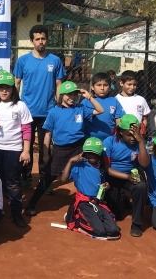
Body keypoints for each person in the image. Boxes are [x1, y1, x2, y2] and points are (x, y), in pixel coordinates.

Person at [24, 81, 104, 217]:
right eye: (68, 95)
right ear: (61, 95)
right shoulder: (54, 112)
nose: (71, 97)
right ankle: (31, 204)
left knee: (90, 171)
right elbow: (48, 134)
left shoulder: (81, 109)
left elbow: (100, 110)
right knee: (48, 177)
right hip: (60, 149)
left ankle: (97, 202)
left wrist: (89, 97)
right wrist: (45, 154)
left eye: (74, 94)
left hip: (79, 147)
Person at [13, 25, 66, 190]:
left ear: (47, 39)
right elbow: (16, 83)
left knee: (45, 148)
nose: (41, 42)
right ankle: (26, 178)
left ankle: (45, 181)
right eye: (37, 39)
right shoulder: (23, 61)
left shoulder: (55, 61)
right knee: (24, 146)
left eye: (43, 38)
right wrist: (16, 104)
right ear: (31, 41)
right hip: (27, 112)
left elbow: (59, 85)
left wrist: (58, 105)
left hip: (48, 112)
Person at [0, 73, 32, 227]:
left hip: (14, 150)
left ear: (13, 89)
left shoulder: (20, 106)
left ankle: (16, 213)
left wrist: (26, 150)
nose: (4, 91)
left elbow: (27, 129)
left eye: (7, 88)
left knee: (13, 183)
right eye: (1, 88)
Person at [61, 137, 120, 239]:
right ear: (84, 153)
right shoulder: (80, 165)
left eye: (94, 153)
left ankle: (92, 218)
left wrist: (106, 185)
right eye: (88, 153)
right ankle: (75, 217)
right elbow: (63, 179)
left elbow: (99, 183)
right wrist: (70, 161)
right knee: (99, 231)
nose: (91, 155)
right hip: (84, 202)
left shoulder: (100, 167)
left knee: (114, 231)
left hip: (98, 202)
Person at [102, 114, 149, 237]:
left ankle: (137, 223)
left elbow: (144, 164)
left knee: (141, 186)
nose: (132, 138)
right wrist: (127, 177)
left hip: (130, 174)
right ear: (121, 132)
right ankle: (123, 200)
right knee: (117, 214)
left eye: (135, 134)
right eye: (129, 135)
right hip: (112, 177)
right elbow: (106, 169)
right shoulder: (109, 142)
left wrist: (140, 140)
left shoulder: (139, 143)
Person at [84, 72, 126, 140]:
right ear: (92, 87)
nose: (102, 88)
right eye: (99, 85)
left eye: (105, 85)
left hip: (110, 139)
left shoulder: (114, 101)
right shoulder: (86, 102)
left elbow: (118, 119)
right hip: (89, 140)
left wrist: (118, 134)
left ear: (109, 87)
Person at [115, 70, 151, 137]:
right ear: (121, 83)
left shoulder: (141, 99)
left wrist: (141, 130)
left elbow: (144, 118)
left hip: (137, 135)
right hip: (122, 136)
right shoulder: (116, 100)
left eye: (134, 85)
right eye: (129, 84)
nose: (132, 87)